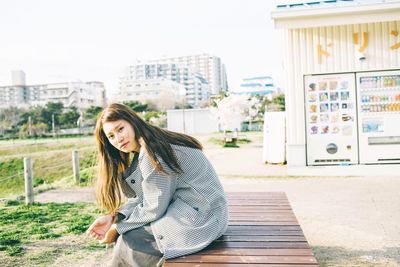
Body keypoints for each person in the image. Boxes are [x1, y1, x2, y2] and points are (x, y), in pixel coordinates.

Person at [87, 103, 229, 267]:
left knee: (130, 240)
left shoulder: (153, 151)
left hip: (204, 217)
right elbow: (146, 198)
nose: (118, 139)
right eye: (111, 136)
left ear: (133, 122)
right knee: (130, 236)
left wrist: (117, 228)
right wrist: (114, 217)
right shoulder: (150, 144)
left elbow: (154, 207)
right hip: (196, 210)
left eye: (120, 129)